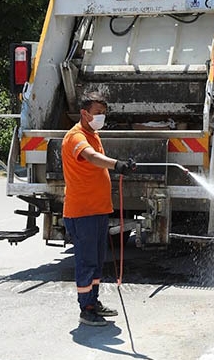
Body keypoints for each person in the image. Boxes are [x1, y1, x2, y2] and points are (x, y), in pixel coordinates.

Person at [62, 91, 136, 326]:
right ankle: (86, 309)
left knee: (96, 261)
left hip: (98, 210)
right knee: (86, 262)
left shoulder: (93, 134)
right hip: (82, 212)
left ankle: (93, 301)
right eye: (97, 113)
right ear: (84, 113)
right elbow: (91, 158)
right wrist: (118, 165)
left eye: (103, 113)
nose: (101, 117)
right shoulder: (76, 137)